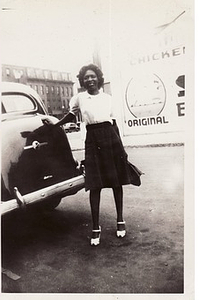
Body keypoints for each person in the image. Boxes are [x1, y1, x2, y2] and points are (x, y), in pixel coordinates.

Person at [45, 64, 138, 246]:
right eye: (86, 77)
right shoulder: (79, 98)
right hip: (92, 140)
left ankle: (120, 220)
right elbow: (71, 116)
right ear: (83, 81)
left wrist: (122, 149)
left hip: (110, 138)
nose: (89, 80)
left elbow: (114, 123)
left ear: (98, 78)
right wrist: (55, 125)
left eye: (92, 76)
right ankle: (96, 227)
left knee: (116, 183)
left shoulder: (108, 98)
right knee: (94, 185)